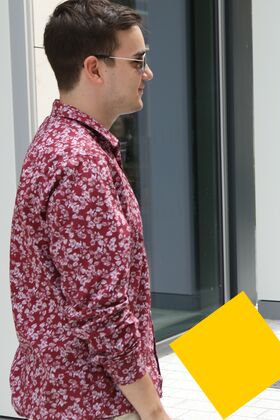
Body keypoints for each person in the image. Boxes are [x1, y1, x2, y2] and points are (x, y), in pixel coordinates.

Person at [8, 1, 168, 419]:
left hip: (68, 397)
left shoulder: (61, 143)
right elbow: (102, 306)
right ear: (94, 69)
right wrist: (152, 411)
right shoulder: (78, 160)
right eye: (138, 62)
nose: (147, 74)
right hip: (93, 404)